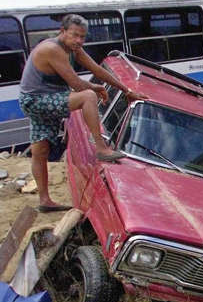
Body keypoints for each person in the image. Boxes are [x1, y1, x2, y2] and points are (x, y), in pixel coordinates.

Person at [18, 14, 147, 213]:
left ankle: (44, 200)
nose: (79, 40)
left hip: (44, 97)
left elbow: (96, 68)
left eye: (82, 37)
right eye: (74, 35)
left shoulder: (73, 48)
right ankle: (101, 148)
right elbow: (76, 85)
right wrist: (97, 88)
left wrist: (126, 90)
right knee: (88, 96)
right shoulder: (53, 49)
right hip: (36, 100)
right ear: (62, 32)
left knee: (40, 149)